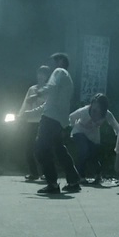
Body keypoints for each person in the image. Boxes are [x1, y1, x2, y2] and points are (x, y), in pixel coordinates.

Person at [31, 53, 81, 194]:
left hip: (50, 118)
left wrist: (39, 93)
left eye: (53, 61)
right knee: (59, 149)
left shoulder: (59, 72)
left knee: (41, 149)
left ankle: (52, 183)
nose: (51, 65)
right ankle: (73, 180)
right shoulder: (68, 78)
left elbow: (51, 87)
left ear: (60, 61)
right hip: (59, 119)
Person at [69, 93, 119, 185]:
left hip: (93, 136)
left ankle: (98, 174)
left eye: (98, 107)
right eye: (94, 106)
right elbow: (71, 117)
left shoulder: (106, 114)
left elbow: (115, 125)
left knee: (93, 154)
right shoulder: (84, 111)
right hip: (79, 131)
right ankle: (80, 176)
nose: (95, 109)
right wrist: (74, 126)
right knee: (84, 150)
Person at [18, 66, 52, 181]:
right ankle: (34, 173)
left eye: (43, 74)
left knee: (41, 149)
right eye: (39, 73)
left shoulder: (48, 90)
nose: (40, 76)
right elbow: (25, 104)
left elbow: (46, 107)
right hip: (30, 122)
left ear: (47, 76)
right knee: (28, 148)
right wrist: (21, 116)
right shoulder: (32, 89)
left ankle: (46, 173)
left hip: (42, 122)